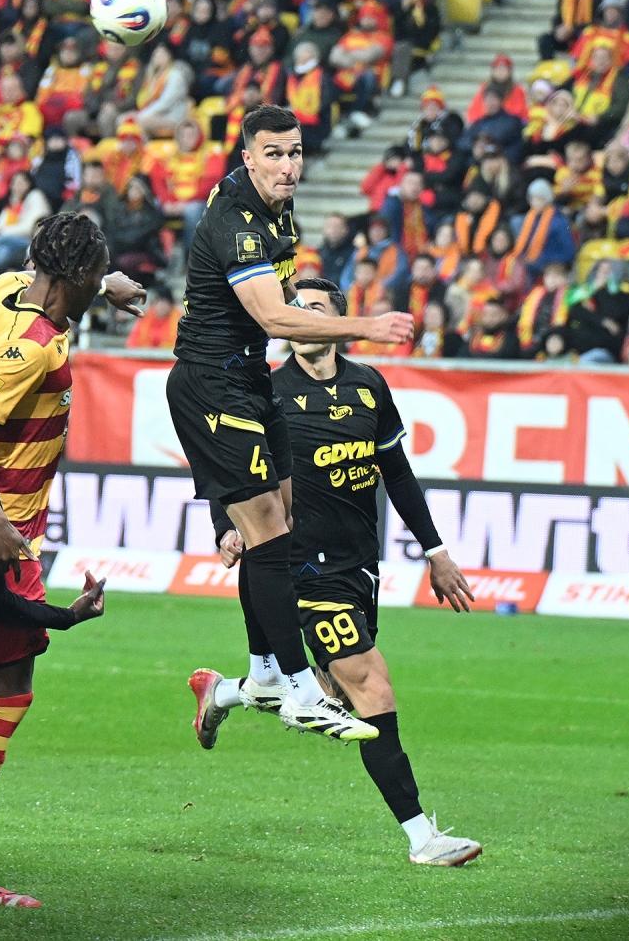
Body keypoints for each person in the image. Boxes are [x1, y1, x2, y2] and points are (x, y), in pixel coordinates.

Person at [190, 278, 481, 867]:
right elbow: (231, 471)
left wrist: (435, 551)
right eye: (294, 307)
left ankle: (223, 691)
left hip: (358, 567)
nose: (301, 315)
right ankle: (422, 838)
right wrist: (226, 527)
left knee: (335, 691)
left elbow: (397, 473)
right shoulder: (267, 392)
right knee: (372, 685)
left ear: (338, 322)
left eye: (314, 308)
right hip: (301, 568)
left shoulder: (369, 385)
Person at [164, 104, 413, 745]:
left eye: (294, 152)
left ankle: (259, 672)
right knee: (270, 532)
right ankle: (300, 691)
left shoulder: (275, 208)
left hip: (248, 380)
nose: (287, 166)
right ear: (248, 159)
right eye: (272, 154)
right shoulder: (240, 224)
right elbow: (274, 318)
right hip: (212, 384)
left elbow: (273, 306)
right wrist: (366, 325)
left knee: (282, 518)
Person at [0, 214, 146, 890]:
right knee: (6, 692)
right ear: (71, 278)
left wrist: (107, 281)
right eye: (90, 280)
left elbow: (46, 278)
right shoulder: (34, 348)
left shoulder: (8, 289)